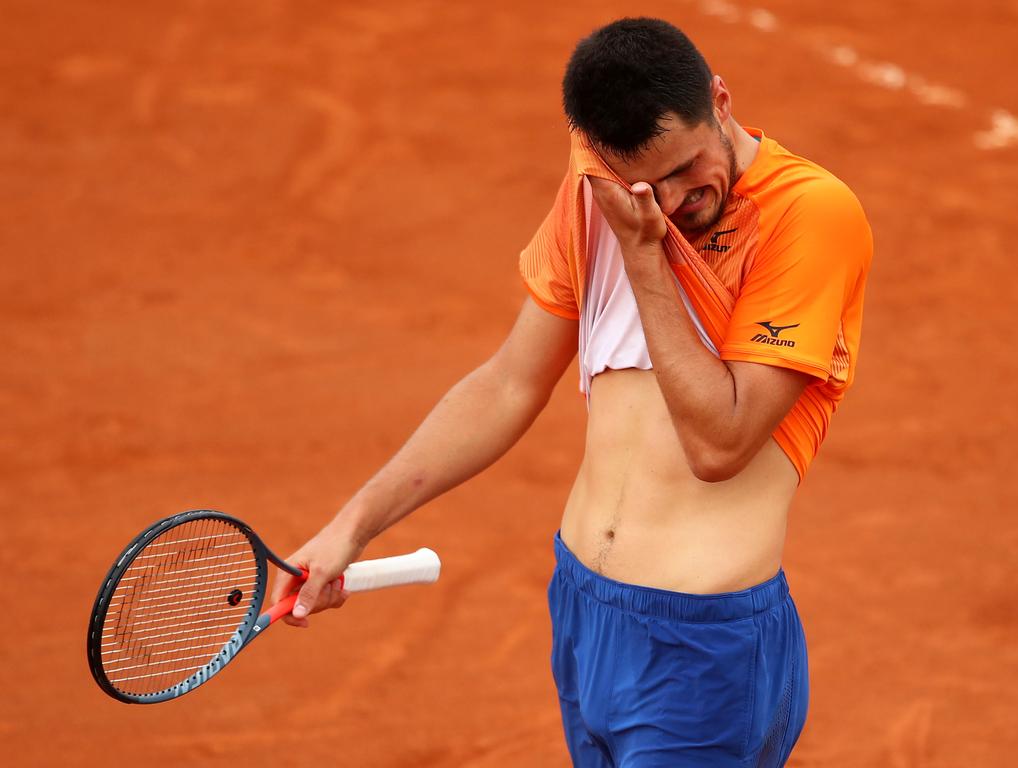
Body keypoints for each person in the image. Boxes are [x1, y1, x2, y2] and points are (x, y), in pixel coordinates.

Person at [270, 17, 872, 767]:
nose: (676, 201)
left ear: (720, 100)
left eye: (688, 168)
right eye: (647, 185)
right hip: (586, 618)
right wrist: (349, 527)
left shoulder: (807, 215)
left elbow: (720, 442)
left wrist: (646, 254)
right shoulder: (600, 197)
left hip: (703, 648)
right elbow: (507, 384)